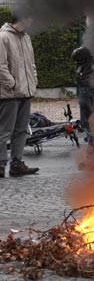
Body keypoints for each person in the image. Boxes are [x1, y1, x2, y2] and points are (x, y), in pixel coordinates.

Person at [0, 12, 39, 177]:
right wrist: (13, 84)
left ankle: (17, 164)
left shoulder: (26, 37)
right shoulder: (3, 37)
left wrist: (34, 80)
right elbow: (1, 66)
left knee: (21, 130)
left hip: (26, 91)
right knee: (5, 131)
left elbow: (31, 64)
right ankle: (1, 165)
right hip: (10, 93)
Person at [72, 45, 94, 143]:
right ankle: (93, 140)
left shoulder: (89, 49)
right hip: (91, 86)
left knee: (89, 116)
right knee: (91, 115)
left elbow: (75, 55)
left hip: (89, 87)